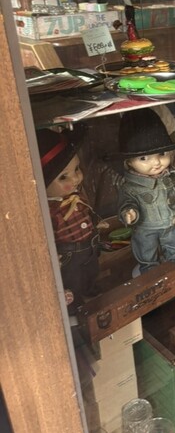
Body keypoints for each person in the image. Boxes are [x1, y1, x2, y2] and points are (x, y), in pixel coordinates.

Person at [117, 108, 175, 275]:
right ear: (129, 162)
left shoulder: (169, 175)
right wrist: (129, 212)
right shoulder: (130, 186)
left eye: (161, 154)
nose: (156, 163)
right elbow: (126, 202)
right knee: (145, 248)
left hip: (172, 221)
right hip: (146, 227)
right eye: (144, 158)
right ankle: (149, 267)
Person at [37, 127, 100, 316]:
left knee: (91, 270)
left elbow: (86, 212)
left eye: (77, 169)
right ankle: (75, 305)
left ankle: (92, 291)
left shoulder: (77, 196)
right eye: (63, 177)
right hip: (68, 254)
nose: (75, 178)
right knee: (73, 279)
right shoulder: (49, 211)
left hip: (89, 245)